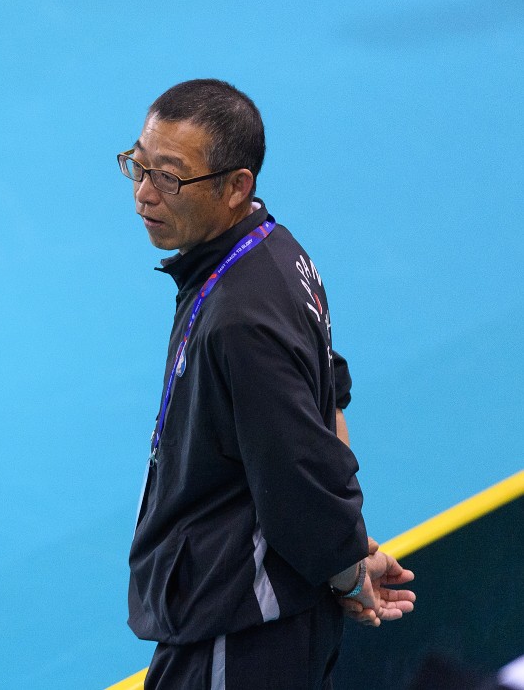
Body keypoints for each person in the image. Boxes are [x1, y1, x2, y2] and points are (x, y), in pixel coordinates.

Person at [121, 79, 416, 689]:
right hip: (250, 615)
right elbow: (326, 390)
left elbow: (297, 470)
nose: (144, 193)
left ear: (237, 187)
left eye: (170, 178)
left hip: (241, 626)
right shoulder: (274, 250)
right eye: (138, 166)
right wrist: (350, 555)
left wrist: (343, 566)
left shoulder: (241, 317)